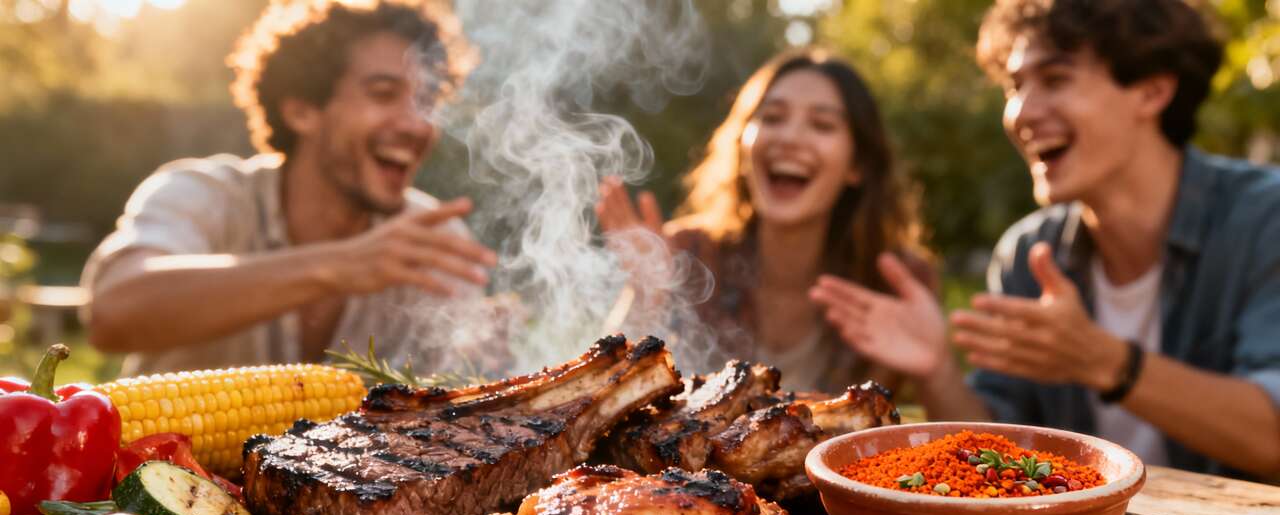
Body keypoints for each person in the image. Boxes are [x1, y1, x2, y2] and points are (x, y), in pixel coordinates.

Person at [809, 0, 1280, 479]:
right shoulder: (1031, 251)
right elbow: (998, 444)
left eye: (1055, 79)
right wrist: (936, 369)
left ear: (1152, 91)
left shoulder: (1266, 218)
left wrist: (1108, 363)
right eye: (1015, 86)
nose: (1020, 113)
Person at [81, 0, 497, 375]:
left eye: (428, 100)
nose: (417, 124)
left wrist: (488, 372)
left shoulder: (433, 243)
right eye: (383, 93)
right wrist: (340, 266)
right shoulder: (204, 194)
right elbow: (113, 312)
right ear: (301, 111)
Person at [596, 48, 934, 395]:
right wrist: (643, 297)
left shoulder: (896, 284)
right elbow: (601, 396)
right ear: (741, 145)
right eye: (772, 118)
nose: (789, 138)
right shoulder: (686, 254)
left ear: (857, 164)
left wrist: (937, 366)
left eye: (822, 124)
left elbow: (969, 436)